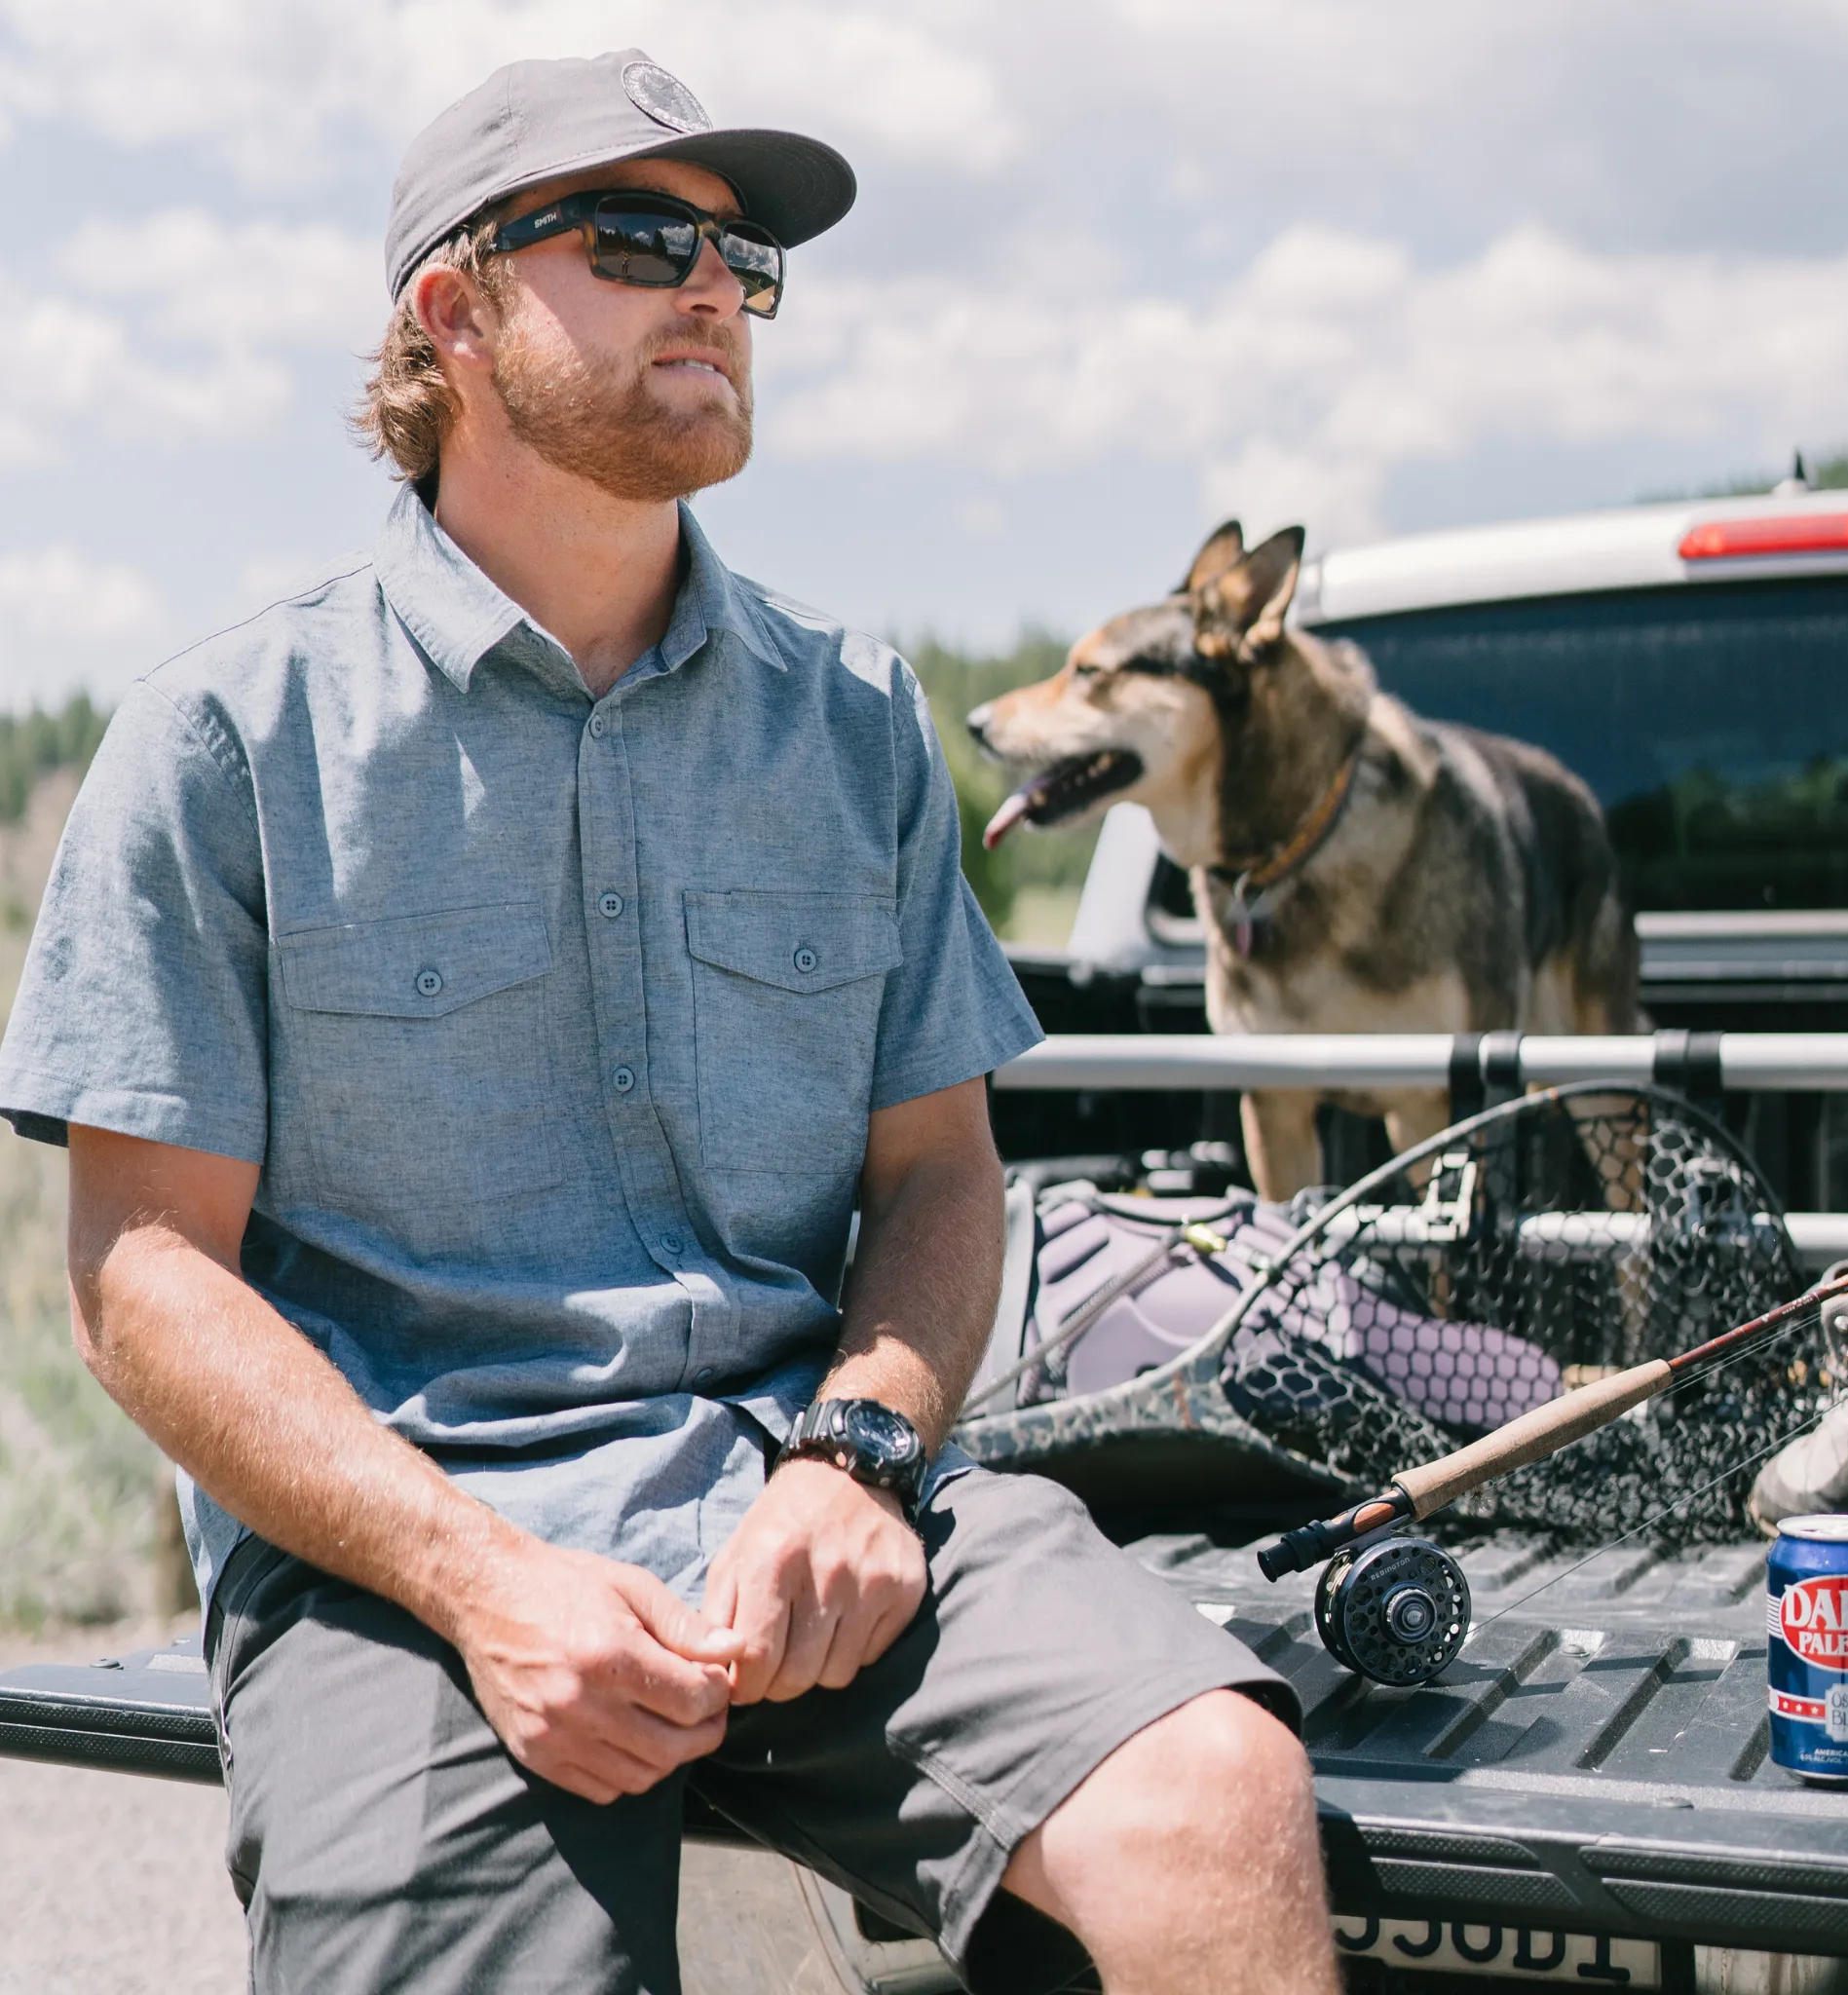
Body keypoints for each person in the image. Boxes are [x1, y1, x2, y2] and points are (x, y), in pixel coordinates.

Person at [0, 50, 1339, 1995]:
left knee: (1216, 1793)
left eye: (740, 257)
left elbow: (940, 1178)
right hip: (408, 1556)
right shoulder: (226, 744)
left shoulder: (856, 716)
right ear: (448, 314)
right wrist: (483, 1580)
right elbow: (142, 1271)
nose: (716, 286)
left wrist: (861, 1453)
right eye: (640, 239)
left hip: (817, 1503)